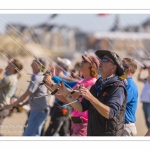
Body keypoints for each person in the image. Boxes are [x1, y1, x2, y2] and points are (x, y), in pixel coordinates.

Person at [44, 50, 127, 136]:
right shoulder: (98, 84)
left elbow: (109, 113)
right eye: (101, 59)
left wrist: (90, 97)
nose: (101, 61)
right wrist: (65, 92)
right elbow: (81, 107)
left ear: (113, 67)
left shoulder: (117, 87)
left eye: (105, 60)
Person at [44, 55, 100, 136]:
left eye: (85, 61)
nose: (81, 62)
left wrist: (51, 83)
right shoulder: (81, 82)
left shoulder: (92, 82)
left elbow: (68, 93)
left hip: (84, 124)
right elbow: (64, 98)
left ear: (92, 66)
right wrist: (48, 85)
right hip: (75, 122)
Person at [4, 58, 49, 136]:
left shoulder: (37, 77)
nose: (33, 60)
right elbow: (34, 95)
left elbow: (26, 94)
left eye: (36, 61)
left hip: (38, 112)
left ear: (39, 66)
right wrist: (22, 104)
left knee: (28, 136)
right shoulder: (39, 76)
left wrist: (11, 105)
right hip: (39, 111)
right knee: (34, 135)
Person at [0, 59, 23, 133]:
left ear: (14, 68)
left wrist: (2, 72)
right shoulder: (12, 77)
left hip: (2, 107)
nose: (9, 63)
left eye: (11, 64)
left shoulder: (9, 78)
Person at [122, 58, 138, 136]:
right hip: (122, 125)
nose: (119, 67)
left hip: (126, 127)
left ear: (128, 69)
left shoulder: (130, 85)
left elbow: (121, 102)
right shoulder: (125, 82)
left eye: (122, 65)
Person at [137, 64, 150, 129]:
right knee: (147, 121)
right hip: (145, 102)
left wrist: (148, 68)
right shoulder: (147, 79)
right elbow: (139, 78)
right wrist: (141, 69)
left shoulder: (148, 78)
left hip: (149, 103)